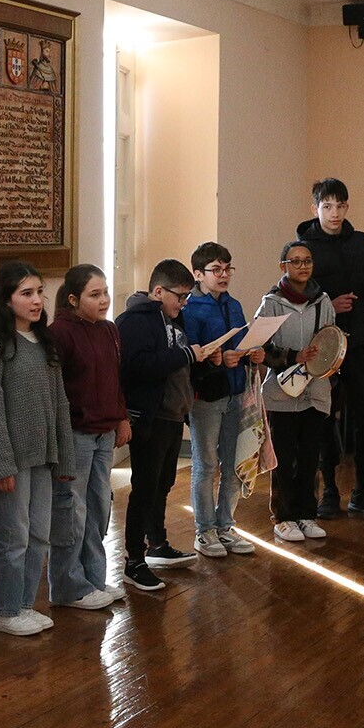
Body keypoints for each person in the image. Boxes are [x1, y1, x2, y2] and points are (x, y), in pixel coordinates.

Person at [0, 261, 75, 634]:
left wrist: (64, 454)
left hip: (43, 457)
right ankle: (3, 609)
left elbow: (60, 402)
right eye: (26, 293)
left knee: (39, 534)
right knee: (13, 537)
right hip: (13, 460)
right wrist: (0, 466)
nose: (36, 301)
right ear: (6, 299)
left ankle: (24, 604)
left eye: (40, 292)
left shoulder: (44, 342)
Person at [296, 179, 364, 518]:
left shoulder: (363, 242)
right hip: (319, 343)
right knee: (324, 416)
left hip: (358, 341)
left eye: (340, 206)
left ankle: (362, 490)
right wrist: (328, 305)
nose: (334, 213)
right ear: (315, 209)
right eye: (327, 206)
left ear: (347, 207)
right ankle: (329, 490)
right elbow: (294, 297)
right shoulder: (303, 247)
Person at [47, 264, 128, 611]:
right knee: (71, 511)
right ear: (73, 299)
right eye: (95, 294)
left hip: (104, 432)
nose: (104, 300)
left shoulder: (109, 330)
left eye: (105, 292)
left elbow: (114, 379)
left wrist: (121, 417)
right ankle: (67, 585)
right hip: (76, 434)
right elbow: (55, 391)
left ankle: (95, 578)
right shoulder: (59, 333)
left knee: (99, 508)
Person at [117, 260, 200, 588]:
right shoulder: (135, 322)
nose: (183, 304)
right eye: (180, 296)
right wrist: (187, 355)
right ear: (157, 291)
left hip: (172, 414)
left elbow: (181, 367)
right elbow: (138, 367)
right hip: (149, 416)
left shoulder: (173, 321)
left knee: (162, 484)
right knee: (144, 488)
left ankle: (157, 544)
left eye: (187, 298)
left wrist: (201, 359)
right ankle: (134, 559)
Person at [181, 241, 262, 558]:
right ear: (198, 274)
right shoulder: (191, 310)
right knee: (206, 464)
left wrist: (252, 354)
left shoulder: (234, 305)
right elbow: (189, 359)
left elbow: (241, 347)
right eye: (216, 269)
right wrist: (217, 360)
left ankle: (226, 526)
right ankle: (204, 531)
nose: (224, 274)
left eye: (228, 268)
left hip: (237, 392)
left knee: (233, 461)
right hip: (208, 397)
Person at [255, 240, 334, 542]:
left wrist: (330, 360)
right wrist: (293, 357)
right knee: (284, 458)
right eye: (295, 261)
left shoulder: (322, 300)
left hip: (315, 390)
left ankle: (306, 514)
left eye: (307, 261)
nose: (302, 266)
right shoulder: (271, 301)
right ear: (283, 267)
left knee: (310, 456)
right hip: (280, 392)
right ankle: (283, 517)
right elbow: (260, 344)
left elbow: (330, 338)